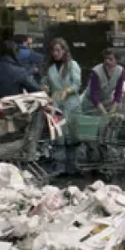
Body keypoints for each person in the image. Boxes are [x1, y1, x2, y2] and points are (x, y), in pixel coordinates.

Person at [42, 38, 82, 176]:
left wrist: (67, 90)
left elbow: (77, 83)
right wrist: (45, 88)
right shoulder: (49, 67)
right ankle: (60, 167)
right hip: (56, 104)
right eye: (53, 50)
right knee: (58, 136)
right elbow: (45, 82)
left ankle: (73, 167)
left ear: (64, 50)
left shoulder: (72, 65)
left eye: (58, 50)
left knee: (73, 137)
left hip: (71, 104)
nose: (55, 53)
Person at [84, 49, 125, 114]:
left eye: (110, 59)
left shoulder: (120, 71)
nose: (107, 61)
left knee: (117, 110)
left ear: (117, 60)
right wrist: (104, 113)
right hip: (91, 104)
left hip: (107, 101)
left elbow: (118, 92)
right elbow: (94, 95)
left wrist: (113, 110)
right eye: (105, 58)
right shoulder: (96, 72)